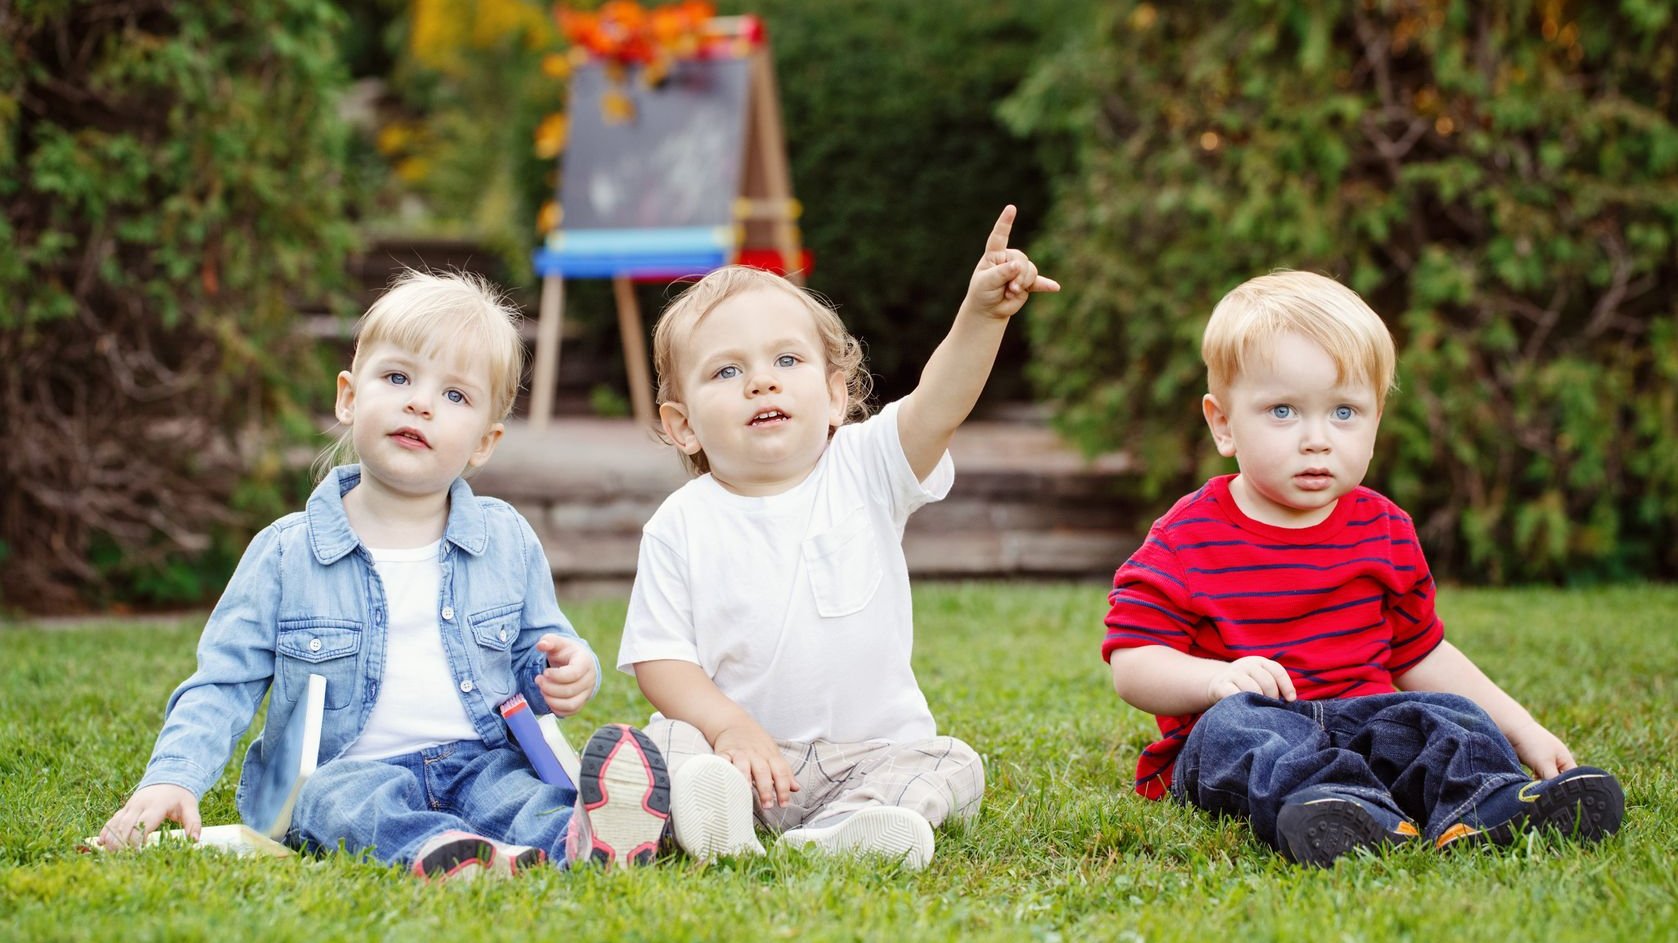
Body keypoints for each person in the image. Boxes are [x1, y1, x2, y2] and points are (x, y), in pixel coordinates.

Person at [98, 271, 670, 879]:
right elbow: (223, 683)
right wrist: (173, 777)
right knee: (334, 805)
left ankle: (583, 837)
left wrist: (567, 668)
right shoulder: (287, 554)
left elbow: (537, 651)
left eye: (455, 396)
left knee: (522, 797)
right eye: (398, 378)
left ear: (485, 441)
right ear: (349, 397)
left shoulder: (505, 540)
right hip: (346, 769)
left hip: (479, 760)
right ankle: (443, 853)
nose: (420, 402)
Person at [1102, 270, 1625, 866]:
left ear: (1377, 421)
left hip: (1366, 720)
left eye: (1345, 412)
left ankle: (1489, 804)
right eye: (1282, 411)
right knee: (1234, 729)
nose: (1317, 439)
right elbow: (1133, 664)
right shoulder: (1185, 537)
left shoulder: (1384, 529)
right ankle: (1331, 808)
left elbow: (1421, 654)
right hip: (1250, 729)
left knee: (1445, 716)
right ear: (1223, 423)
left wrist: (1522, 728)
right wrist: (1215, 681)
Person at [617, 207, 1058, 869]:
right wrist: (728, 727)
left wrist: (983, 314)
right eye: (725, 372)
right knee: (663, 741)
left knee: (950, 762)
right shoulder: (680, 523)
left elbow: (939, 401)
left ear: (832, 395)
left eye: (785, 359)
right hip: (738, 754)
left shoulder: (866, 467)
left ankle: (850, 831)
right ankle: (720, 815)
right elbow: (661, 659)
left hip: (868, 755)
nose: (760, 380)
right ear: (682, 425)